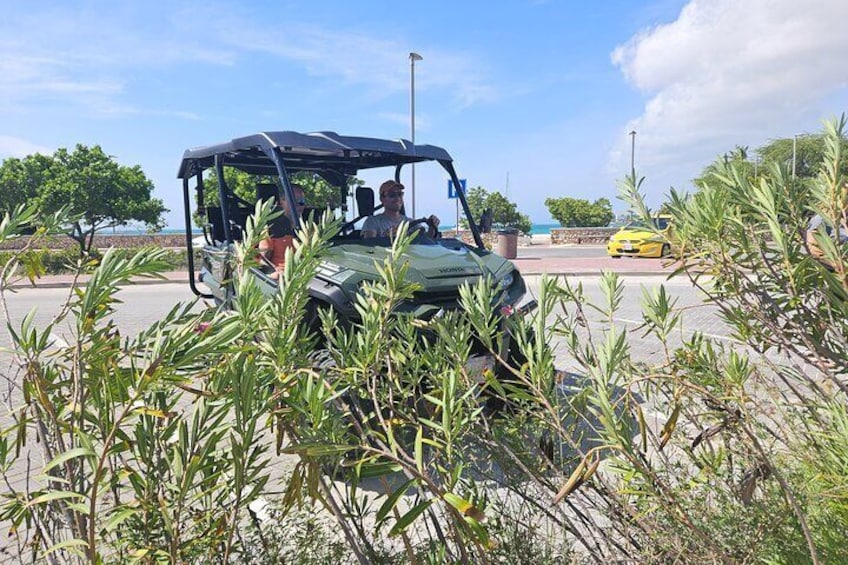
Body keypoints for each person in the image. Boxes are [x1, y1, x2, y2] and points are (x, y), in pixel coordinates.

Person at [361, 180, 440, 238]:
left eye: (400, 194)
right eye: (392, 195)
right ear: (382, 199)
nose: (397, 198)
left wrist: (432, 227)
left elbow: (426, 242)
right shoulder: (373, 222)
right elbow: (370, 247)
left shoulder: (410, 223)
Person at [258, 183, 306, 278]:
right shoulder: (271, 228)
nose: (297, 206)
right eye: (293, 201)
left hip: (310, 277)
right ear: (282, 201)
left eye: (301, 202)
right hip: (283, 282)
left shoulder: (309, 228)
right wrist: (274, 275)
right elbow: (262, 262)